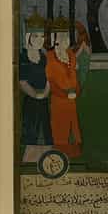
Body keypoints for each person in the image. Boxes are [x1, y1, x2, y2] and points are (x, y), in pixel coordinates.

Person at [18, 14, 52, 163]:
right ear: (29, 37)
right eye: (36, 36)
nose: (40, 39)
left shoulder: (44, 57)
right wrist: (35, 95)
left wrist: (45, 93)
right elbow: (22, 82)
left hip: (44, 101)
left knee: (46, 138)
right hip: (31, 103)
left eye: (42, 36)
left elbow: (50, 78)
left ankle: (46, 165)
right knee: (32, 140)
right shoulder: (24, 57)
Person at [45, 24, 82, 158]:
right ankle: (59, 155)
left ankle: (73, 154)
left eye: (66, 38)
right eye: (61, 38)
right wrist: (65, 94)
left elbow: (75, 78)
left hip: (71, 100)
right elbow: (52, 83)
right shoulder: (50, 58)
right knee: (60, 128)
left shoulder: (71, 55)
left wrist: (76, 91)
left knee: (73, 127)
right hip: (59, 100)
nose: (64, 41)